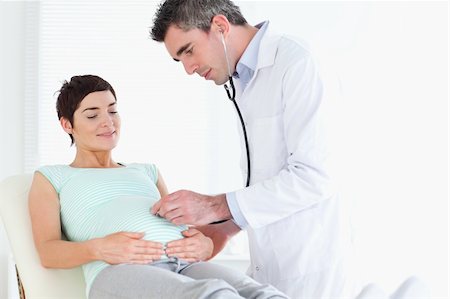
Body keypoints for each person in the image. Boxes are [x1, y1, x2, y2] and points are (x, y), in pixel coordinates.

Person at [150, 1, 356, 298]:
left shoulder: (298, 63)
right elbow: (269, 179)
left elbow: (315, 176)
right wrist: (225, 228)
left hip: (315, 272)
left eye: (189, 50)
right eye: (179, 59)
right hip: (270, 271)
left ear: (220, 26)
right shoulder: (243, 80)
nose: (189, 69)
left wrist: (213, 206)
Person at [28, 75, 289, 299]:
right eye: (92, 115)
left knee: (264, 294)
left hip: (184, 265)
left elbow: (181, 228)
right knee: (214, 295)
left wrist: (203, 244)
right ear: (67, 125)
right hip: (117, 271)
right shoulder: (52, 177)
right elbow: (48, 251)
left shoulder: (146, 171)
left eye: (112, 110)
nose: (107, 121)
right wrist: (98, 248)